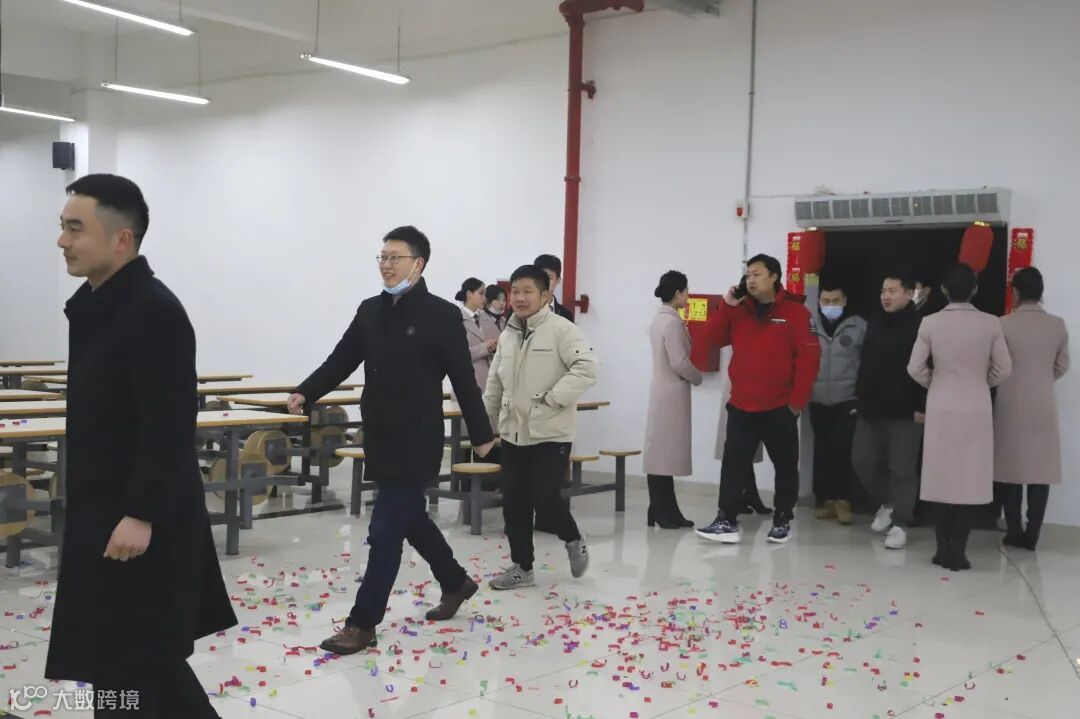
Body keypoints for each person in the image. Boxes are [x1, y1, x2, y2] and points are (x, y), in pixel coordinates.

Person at [46, 174, 236, 718]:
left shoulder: (152, 310)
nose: (62, 241)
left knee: (135, 664)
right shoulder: (100, 305)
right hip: (104, 513)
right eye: (62, 227)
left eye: (75, 229)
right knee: (132, 667)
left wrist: (140, 513)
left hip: (139, 522)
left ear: (121, 239)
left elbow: (168, 423)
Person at [288, 226, 495, 654]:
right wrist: (306, 392)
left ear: (418, 264)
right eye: (382, 257)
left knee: (384, 530)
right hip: (380, 436)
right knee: (409, 517)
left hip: (418, 438)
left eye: (394, 258)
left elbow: (463, 378)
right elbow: (341, 359)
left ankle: (362, 623)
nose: (385, 265)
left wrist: (481, 435)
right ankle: (455, 581)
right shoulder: (370, 310)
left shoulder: (441, 315)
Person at [483, 265, 598, 589]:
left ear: (545, 295)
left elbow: (587, 368)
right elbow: (494, 385)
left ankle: (573, 538)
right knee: (514, 502)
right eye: (515, 291)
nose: (519, 298)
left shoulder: (562, 330)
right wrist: (485, 428)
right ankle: (522, 567)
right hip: (513, 432)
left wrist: (554, 398)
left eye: (527, 291)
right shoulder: (508, 335)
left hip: (551, 432)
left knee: (545, 497)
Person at [696, 254, 821, 544]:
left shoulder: (795, 313)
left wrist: (795, 404)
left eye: (756, 274)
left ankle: (782, 519)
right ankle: (726, 519)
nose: (750, 280)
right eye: (748, 274)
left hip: (779, 406)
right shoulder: (739, 310)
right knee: (733, 465)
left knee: (785, 465)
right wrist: (727, 306)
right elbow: (711, 338)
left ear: (774, 276)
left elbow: (808, 360)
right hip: (742, 404)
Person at [909, 263, 1012, 571]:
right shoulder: (991, 323)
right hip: (976, 405)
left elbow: (914, 367)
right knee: (968, 477)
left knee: (941, 475)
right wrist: (982, 381)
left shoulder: (929, 322)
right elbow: (1004, 369)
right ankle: (959, 552)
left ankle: (942, 549)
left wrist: (936, 382)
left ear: (943, 290)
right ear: (974, 289)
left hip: (941, 404)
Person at [993, 267, 1069, 550]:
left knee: (1010, 470)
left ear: (1015, 291)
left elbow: (995, 366)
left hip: (1010, 404)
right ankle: (1033, 532)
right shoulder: (1057, 325)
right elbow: (1062, 365)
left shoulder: (1002, 324)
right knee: (1040, 472)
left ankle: (1013, 530)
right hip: (1042, 404)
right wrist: (1042, 379)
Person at [851, 274, 926, 550]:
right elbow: (866, 363)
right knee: (862, 461)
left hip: (906, 411)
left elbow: (928, 368)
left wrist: (922, 406)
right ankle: (889, 503)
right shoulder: (875, 322)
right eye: (883, 291)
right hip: (870, 408)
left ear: (908, 293)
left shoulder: (921, 326)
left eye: (893, 291)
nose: (886, 296)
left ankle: (901, 524)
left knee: (902, 469)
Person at [643, 270, 703, 529]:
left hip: (662, 391)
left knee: (662, 453)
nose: (688, 296)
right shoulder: (672, 322)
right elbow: (679, 361)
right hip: (672, 393)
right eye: (686, 291)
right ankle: (661, 510)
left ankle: (664, 509)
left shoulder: (660, 319)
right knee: (664, 454)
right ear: (678, 293)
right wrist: (697, 377)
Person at [809, 277, 866, 525]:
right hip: (817, 398)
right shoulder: (810, 325)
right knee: (822, 450)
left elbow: (867, 362)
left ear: (844, 301)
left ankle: (845, 501)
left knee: (844, 450)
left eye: (835, 301)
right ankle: (827, 501)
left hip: (847, 399)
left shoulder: (859, 326)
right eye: (826, 301)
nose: (830, 305)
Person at [456, 277, 499, 391]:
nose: (484, 298)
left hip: (491, 383)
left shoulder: (486, 317)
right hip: (468, 383)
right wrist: (486, 347)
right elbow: (458, 354)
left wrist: (495, 346)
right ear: (469, 294)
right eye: (481, 293)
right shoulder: (456, 318)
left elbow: (499, 341)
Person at [535, 254, 575, 321]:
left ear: (558, 280)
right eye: (540, 276)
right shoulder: (522, 310)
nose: (544, 281)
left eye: (549, 278)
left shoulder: (566, 315)